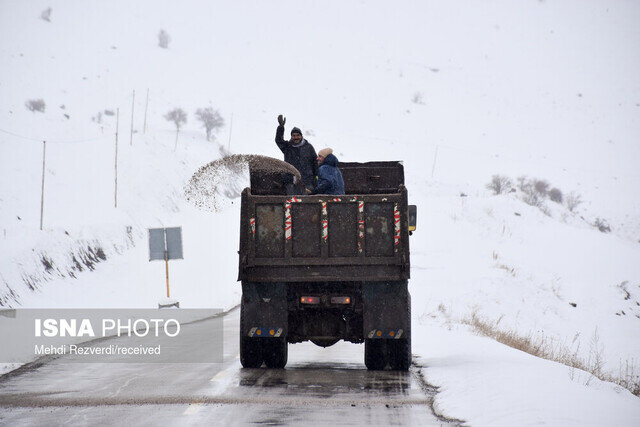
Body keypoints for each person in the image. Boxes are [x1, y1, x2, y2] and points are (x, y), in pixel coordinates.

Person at [275, 115, 318, 193]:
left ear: (301, 136)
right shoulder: (287, 147)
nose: (296, 137)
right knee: (292, 201)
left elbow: (315, 162)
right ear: (291, 137)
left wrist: (316, 177)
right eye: (294, 136)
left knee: (307, 202)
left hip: (307, 181)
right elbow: (279, 140)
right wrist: (281, 127)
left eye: (298, 135)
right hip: (291, 180)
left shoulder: (309, 147)